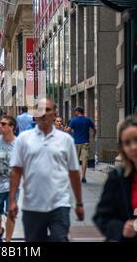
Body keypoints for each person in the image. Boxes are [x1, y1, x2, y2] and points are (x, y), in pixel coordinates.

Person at [9, 98, 84, 242]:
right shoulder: (24, 139)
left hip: (59, 205)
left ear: (55, 114)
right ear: (35, 114)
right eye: (40, 110)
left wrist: (79, 203)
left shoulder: (66, 140)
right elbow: (16, 171)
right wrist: (12, 200)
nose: (44, 114)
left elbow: (74, 172)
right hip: (32, 206)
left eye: (48, 110)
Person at [66, 107, 96, 183]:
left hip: (76, 143)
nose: (74, 113)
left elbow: (68, 130)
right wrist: (93, 135)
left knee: (75, 160)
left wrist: (64, 129)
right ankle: (83, 176)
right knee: (84, 160)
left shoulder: (73, 120)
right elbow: (94, 129)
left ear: (78, 112)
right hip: (85, 143)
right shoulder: (88, 120)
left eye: (75, 111)